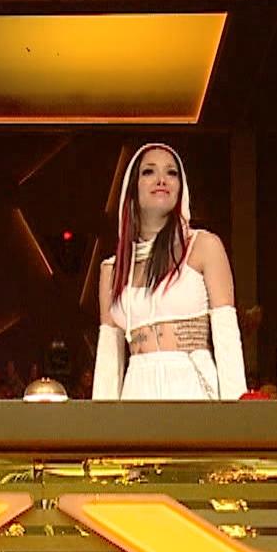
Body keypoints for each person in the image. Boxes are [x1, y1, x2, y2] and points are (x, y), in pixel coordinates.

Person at [93, 143, 246, 401]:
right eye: (149, 171)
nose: (161, 179)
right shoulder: (113, 269)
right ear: (132, 188)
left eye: (171, 172)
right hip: (136, 390)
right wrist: (100, 420)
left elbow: (227, 337)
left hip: (192, 386)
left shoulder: (204, 246)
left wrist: (240, 413)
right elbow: (109, 360)